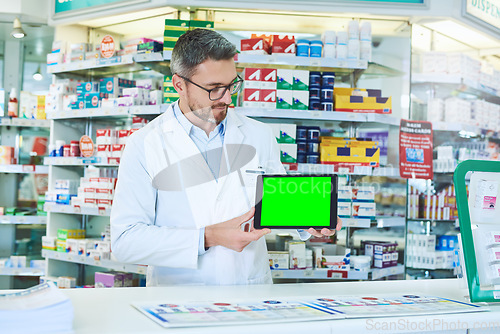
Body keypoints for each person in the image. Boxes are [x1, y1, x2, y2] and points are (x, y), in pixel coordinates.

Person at [110, 28, 341, 286]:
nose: (228, 98)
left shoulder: (259, 135)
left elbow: (275, 209)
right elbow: (125, 241)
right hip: (179, 296)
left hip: (248, 289)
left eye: (232, 85)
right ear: (179, 85)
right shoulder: (144, 144)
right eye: (214, 89)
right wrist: (210, 236)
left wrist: (308, 223)